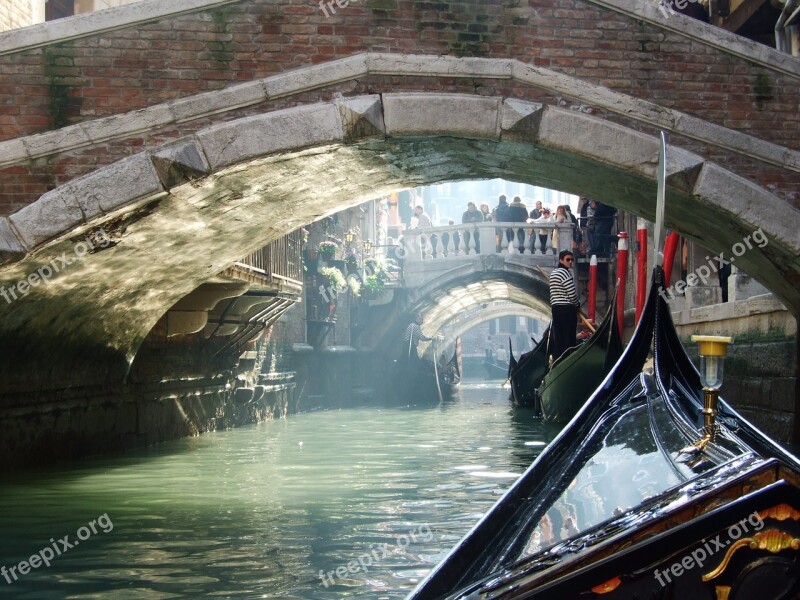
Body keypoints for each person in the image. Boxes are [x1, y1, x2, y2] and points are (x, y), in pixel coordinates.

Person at [548, 250, 581, 363]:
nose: (570, 262)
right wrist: (577, 305)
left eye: (572, 260)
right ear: (561, 260)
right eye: (568, 259)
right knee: (569, 337)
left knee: (559, 337)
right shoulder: (565, 273)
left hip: (556, 309)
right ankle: (568, 360)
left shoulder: (553, 274)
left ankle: (558, 361)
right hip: (567, 309)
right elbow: (571, 293)